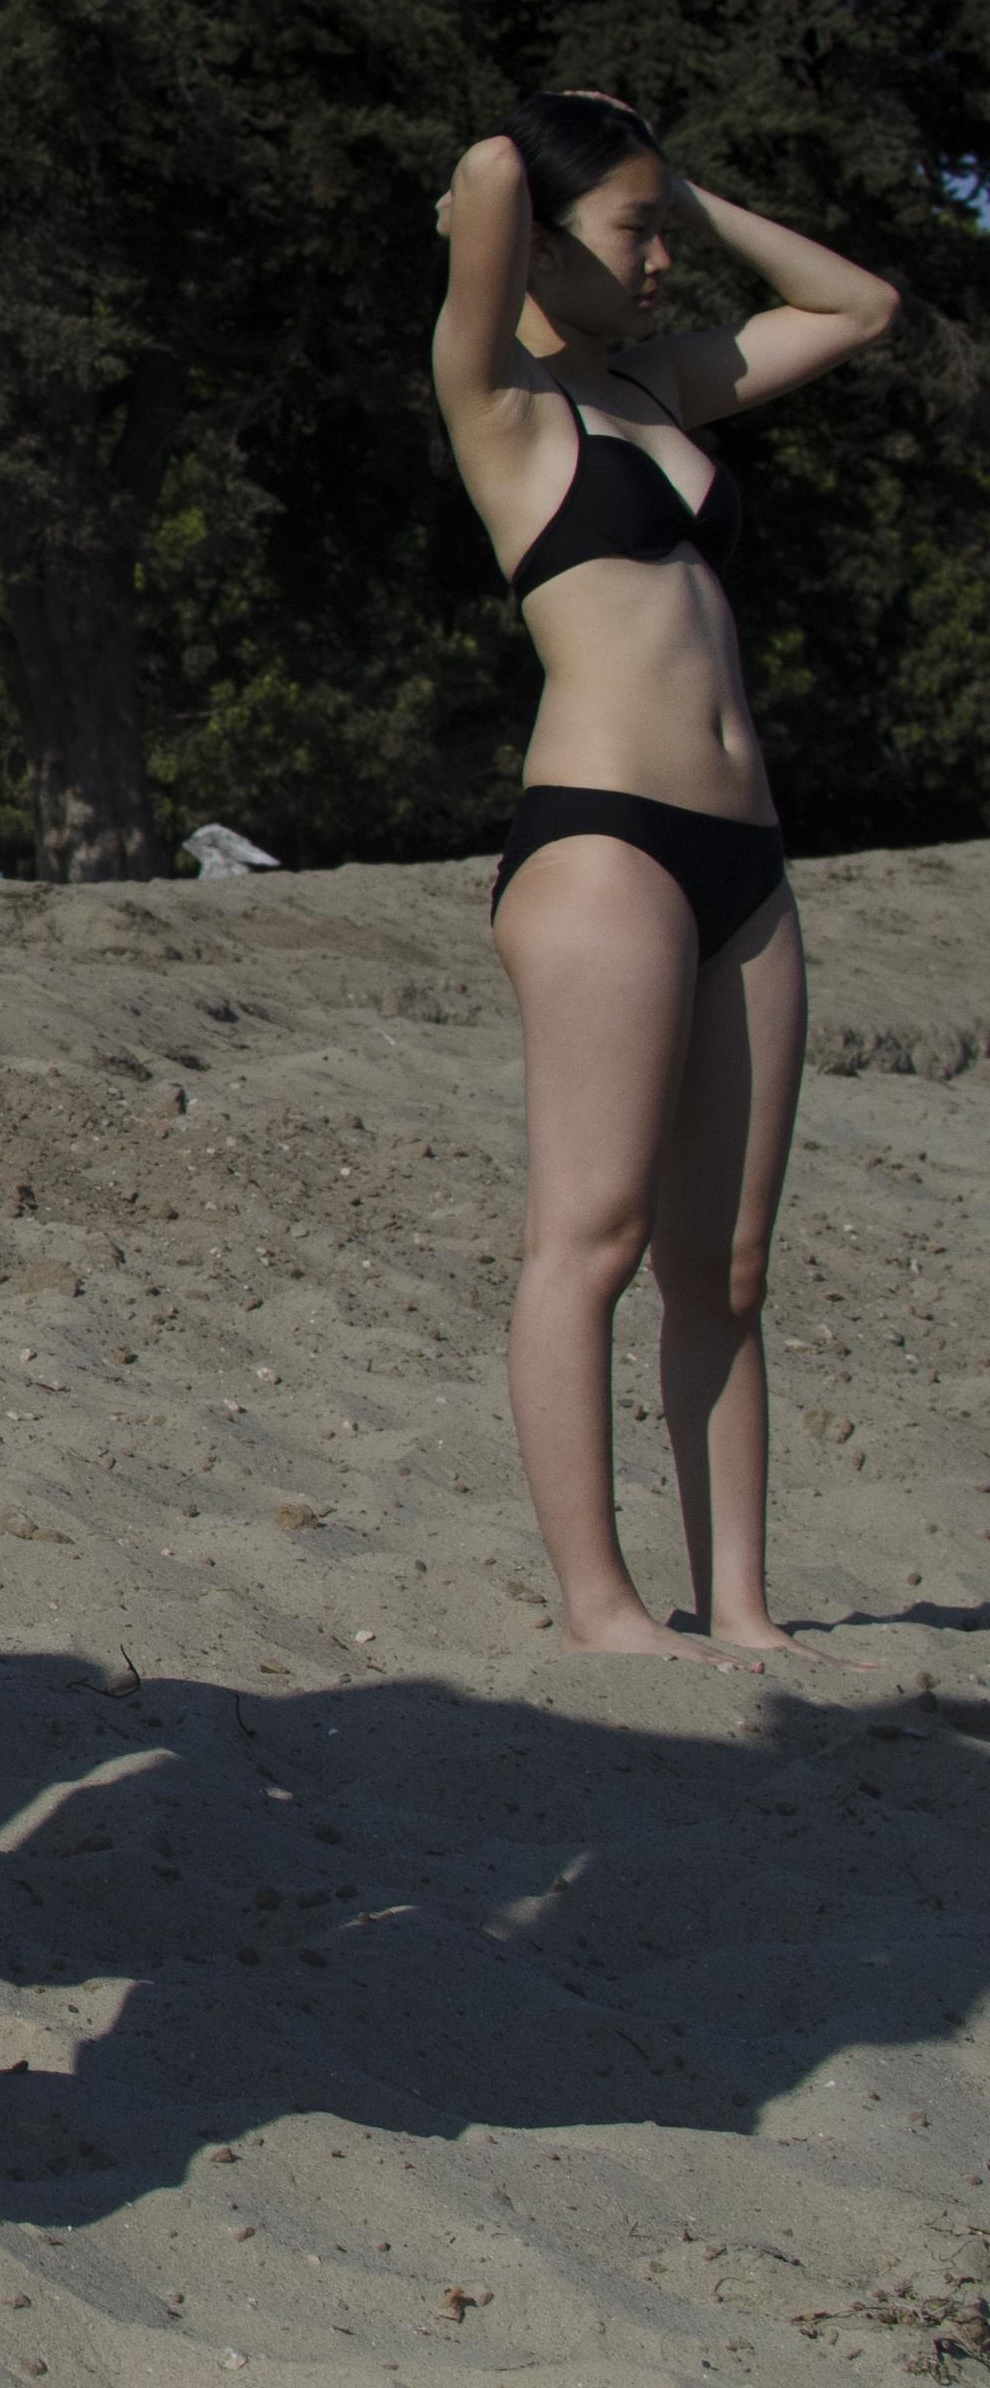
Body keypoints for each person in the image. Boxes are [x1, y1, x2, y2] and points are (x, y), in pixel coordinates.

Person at [431, 92, 893, 1664]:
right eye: (633, 232)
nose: (661, 261)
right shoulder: (497, 396)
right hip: (603, 846)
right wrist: (544, 170)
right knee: (595, 1235)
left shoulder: (661, 384)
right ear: (544, 240)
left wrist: (677, 184)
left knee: (728, 1265)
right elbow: (491, 169)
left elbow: (859, 308)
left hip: (744, 858)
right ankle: (601, 1605)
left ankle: (740, 1602)